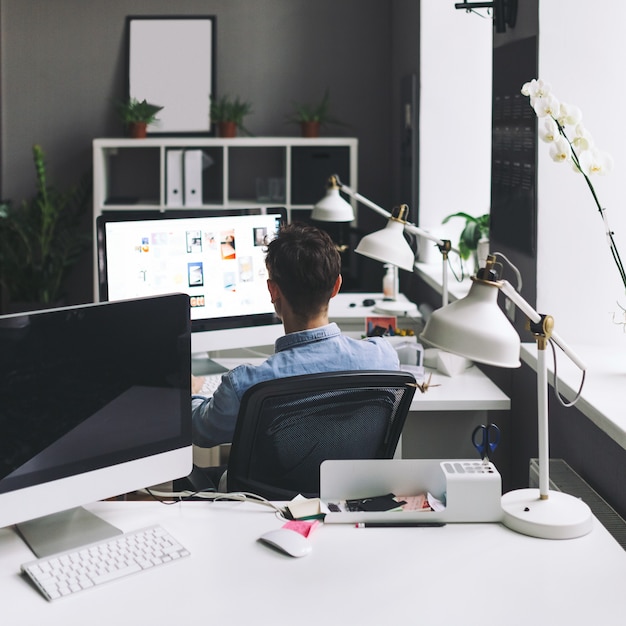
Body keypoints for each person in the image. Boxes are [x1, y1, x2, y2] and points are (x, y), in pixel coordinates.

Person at [191, 222, 399, 449]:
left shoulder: (245, 386)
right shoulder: (383, 359)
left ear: (273, 291)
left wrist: (191, 395)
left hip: (264, 486)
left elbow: (202, 432)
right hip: (350, 485)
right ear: (336, 286)